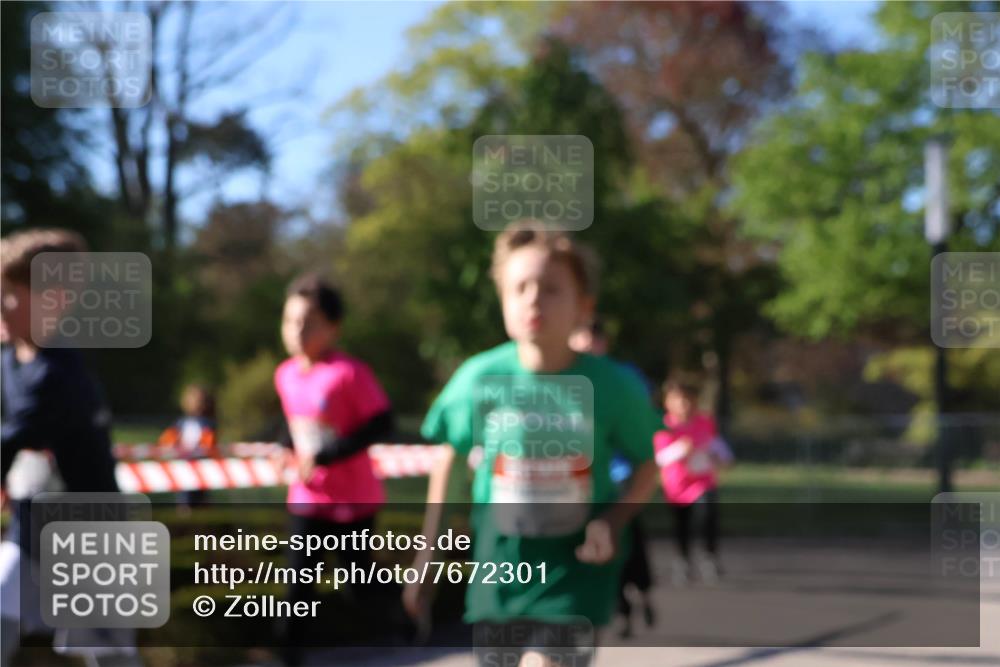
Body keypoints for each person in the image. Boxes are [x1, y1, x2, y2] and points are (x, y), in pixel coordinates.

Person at [405, 221, 662, 667]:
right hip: (500, 564)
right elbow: (450, 458)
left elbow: (647, 464)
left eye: (550, 288)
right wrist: (429, 550)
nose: (533, 300)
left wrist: (614, 521)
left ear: (585, 306)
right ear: (502, 300)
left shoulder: (613, 386)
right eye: (518, 288)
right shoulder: (478, 378)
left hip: (575, 566)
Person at [0, 229, 136, 666]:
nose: (2, 305)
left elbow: (11, 439)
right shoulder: (10, 359)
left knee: (110, 657)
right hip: (30, 529)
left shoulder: (60, 375)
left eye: (11, 295)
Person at [273, 272, 395, 666]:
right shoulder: (285, 374)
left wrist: (326, 455)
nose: (297, 331)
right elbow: (294, 424)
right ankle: (288, 657)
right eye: (290, 321)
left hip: (353, 502)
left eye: (308, 322)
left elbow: (381, 423)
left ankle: (409, 608)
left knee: (360, 586)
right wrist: (283, 448)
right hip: (308, 499)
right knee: (298, 588)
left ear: (333, 327)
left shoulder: (350, 373)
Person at [569, 319, 655, 639]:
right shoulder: (562, 378)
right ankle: (614, 606)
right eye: (581, 338)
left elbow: (644, 434)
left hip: (617, 479)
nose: (588, 345)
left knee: (623, 539)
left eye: (594, 339)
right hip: (576, 483)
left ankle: (639, 592)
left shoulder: (622, 380)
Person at [653, 378, 734, 585]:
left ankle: (709, 556)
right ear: (668, 403)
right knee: (682, 525)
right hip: (677, 485)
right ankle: (683, 559)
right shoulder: (664, 426)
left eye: (687, 400)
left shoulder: (704, 422)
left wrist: (723, 457)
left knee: (708, 514)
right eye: (678, 400)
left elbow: (716, 445)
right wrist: (681, 449)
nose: (684, 405)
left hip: (702, 481)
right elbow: (659, 458)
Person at [157, 384, 218, 512]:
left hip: (201, 467)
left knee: (202, 500)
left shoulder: (207, 423)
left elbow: (209, 442)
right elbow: (167, 439)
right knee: (185, 499)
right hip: (184, 467)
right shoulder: (181, 423)